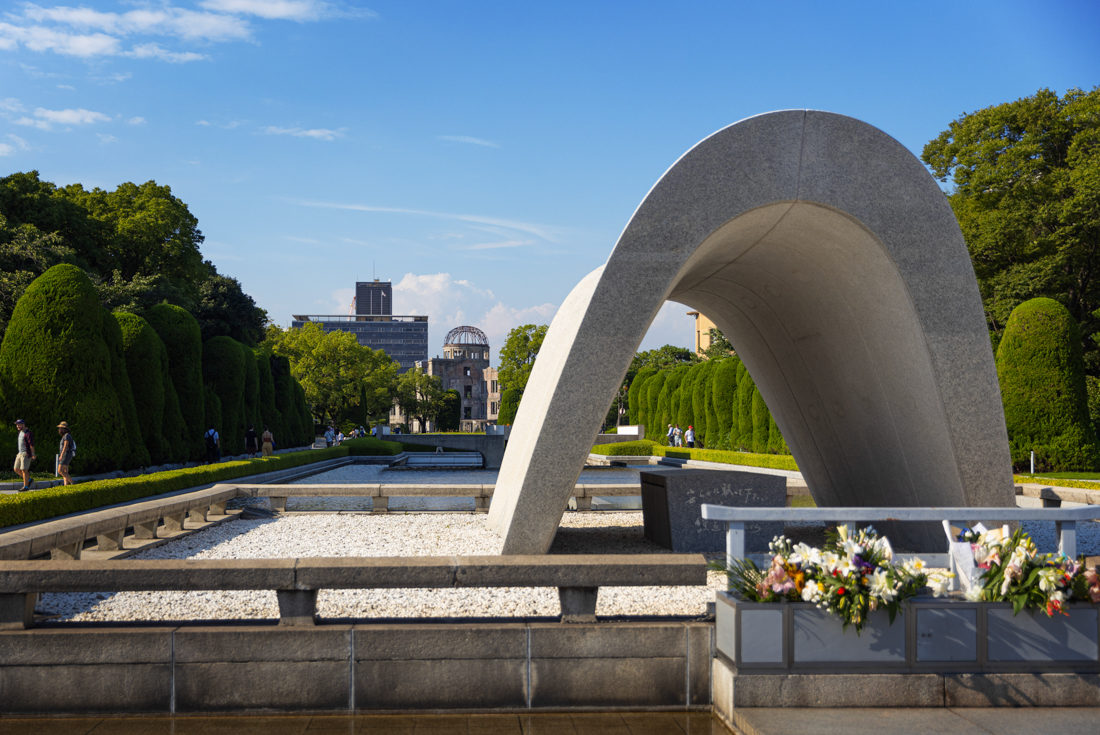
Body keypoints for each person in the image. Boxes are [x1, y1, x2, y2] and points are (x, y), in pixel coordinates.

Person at [12, 419, 35, 491]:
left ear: (23, 424)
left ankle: (26, 487)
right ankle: (29, 480)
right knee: (16, 469)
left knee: (24, 470)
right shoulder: (20, 432)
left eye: (19, 424)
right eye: (17, 425)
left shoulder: (28, 433)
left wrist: (33, 454)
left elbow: (31, 445)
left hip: (26, 453)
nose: (18, 426)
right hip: (19, 453)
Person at [56, 421, 75, 486]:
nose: (59, 430)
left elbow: (65, 445)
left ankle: (72, 482)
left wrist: (61, 455)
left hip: (65, 454)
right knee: (65, 472)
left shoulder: (66, 436)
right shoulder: (66, 435)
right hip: (67, 454)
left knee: (60, 471)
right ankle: (66, 486)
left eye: (60, 428)